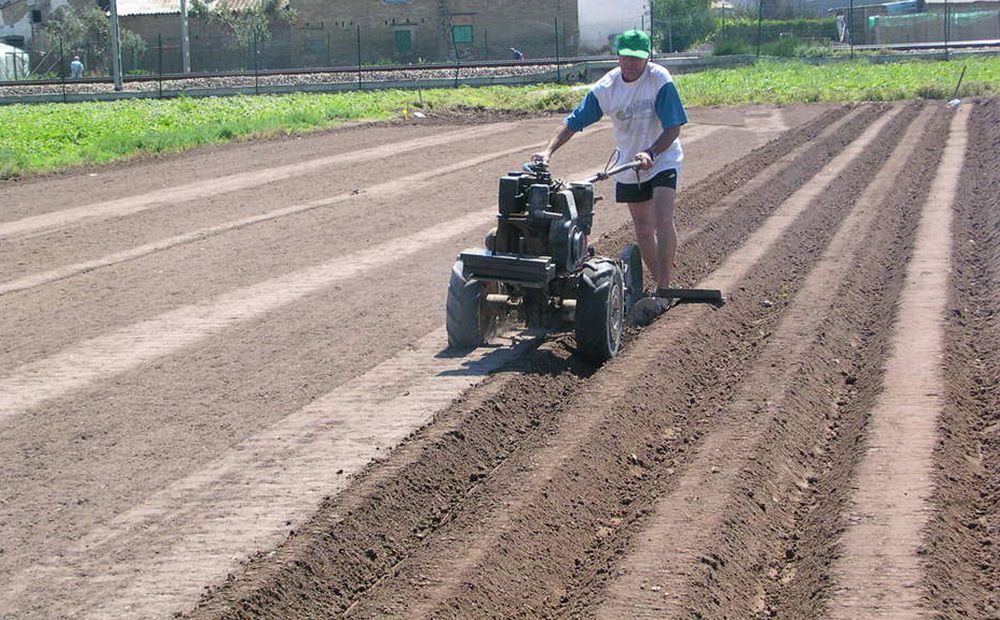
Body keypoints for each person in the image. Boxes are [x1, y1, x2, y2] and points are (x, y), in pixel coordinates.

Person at [532, 29, 687, 313]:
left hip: (661, 158)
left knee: (663, 216)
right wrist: (548, 151)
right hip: (628, 164)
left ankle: (665, 287)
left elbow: (673, 127)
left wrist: (651, 152)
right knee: (642, 229)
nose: (630, 63)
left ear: (647, 57)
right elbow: (574, 121)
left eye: (637, 58)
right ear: (618, 56)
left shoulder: (659, 80)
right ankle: (661, 286)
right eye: (626, 57)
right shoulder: (607, 87)